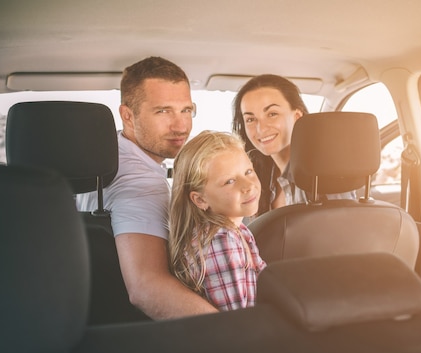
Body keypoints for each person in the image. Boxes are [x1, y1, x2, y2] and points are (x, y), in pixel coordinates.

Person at [76, 56, 218, 319]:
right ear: (127, 115)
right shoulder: (141, 184)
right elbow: (146, 288)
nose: (181, 126)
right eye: (163, 111)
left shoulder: (99, 163)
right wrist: (237, 330)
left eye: (186, 110)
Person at [169, 131, 266, 311]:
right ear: (200, 200)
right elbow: (236, 322)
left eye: (248, 171)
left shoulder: (239, 230)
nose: (248, 185)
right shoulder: (221, 240)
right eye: (229, 181)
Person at [232, 74, 355, 217]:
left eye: (272, 114)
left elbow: (345, 233)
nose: (261, 129)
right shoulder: (257, 177)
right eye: (250, 119)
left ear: (297, 117)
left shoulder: (324, 174)